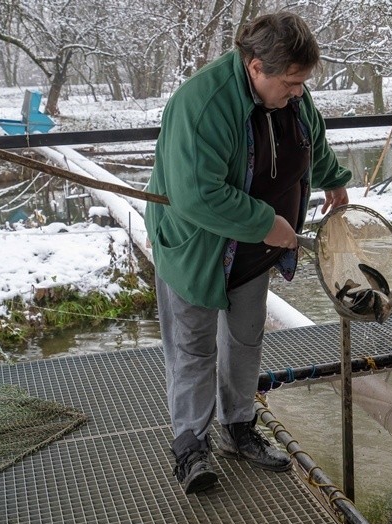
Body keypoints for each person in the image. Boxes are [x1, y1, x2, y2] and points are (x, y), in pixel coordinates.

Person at [144, 11, 351, 494]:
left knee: (245, 337)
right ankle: (191, 444)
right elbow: (196, 194)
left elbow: (311, 140)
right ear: (256, 67)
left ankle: (239, 427)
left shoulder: (292, 94)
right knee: (193, 347)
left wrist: (333, 180)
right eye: (292, 82)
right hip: (197, 247)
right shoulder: (201, 104)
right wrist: (267, 224)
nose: (299, 91)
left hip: (255, 249)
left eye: (303, 82)